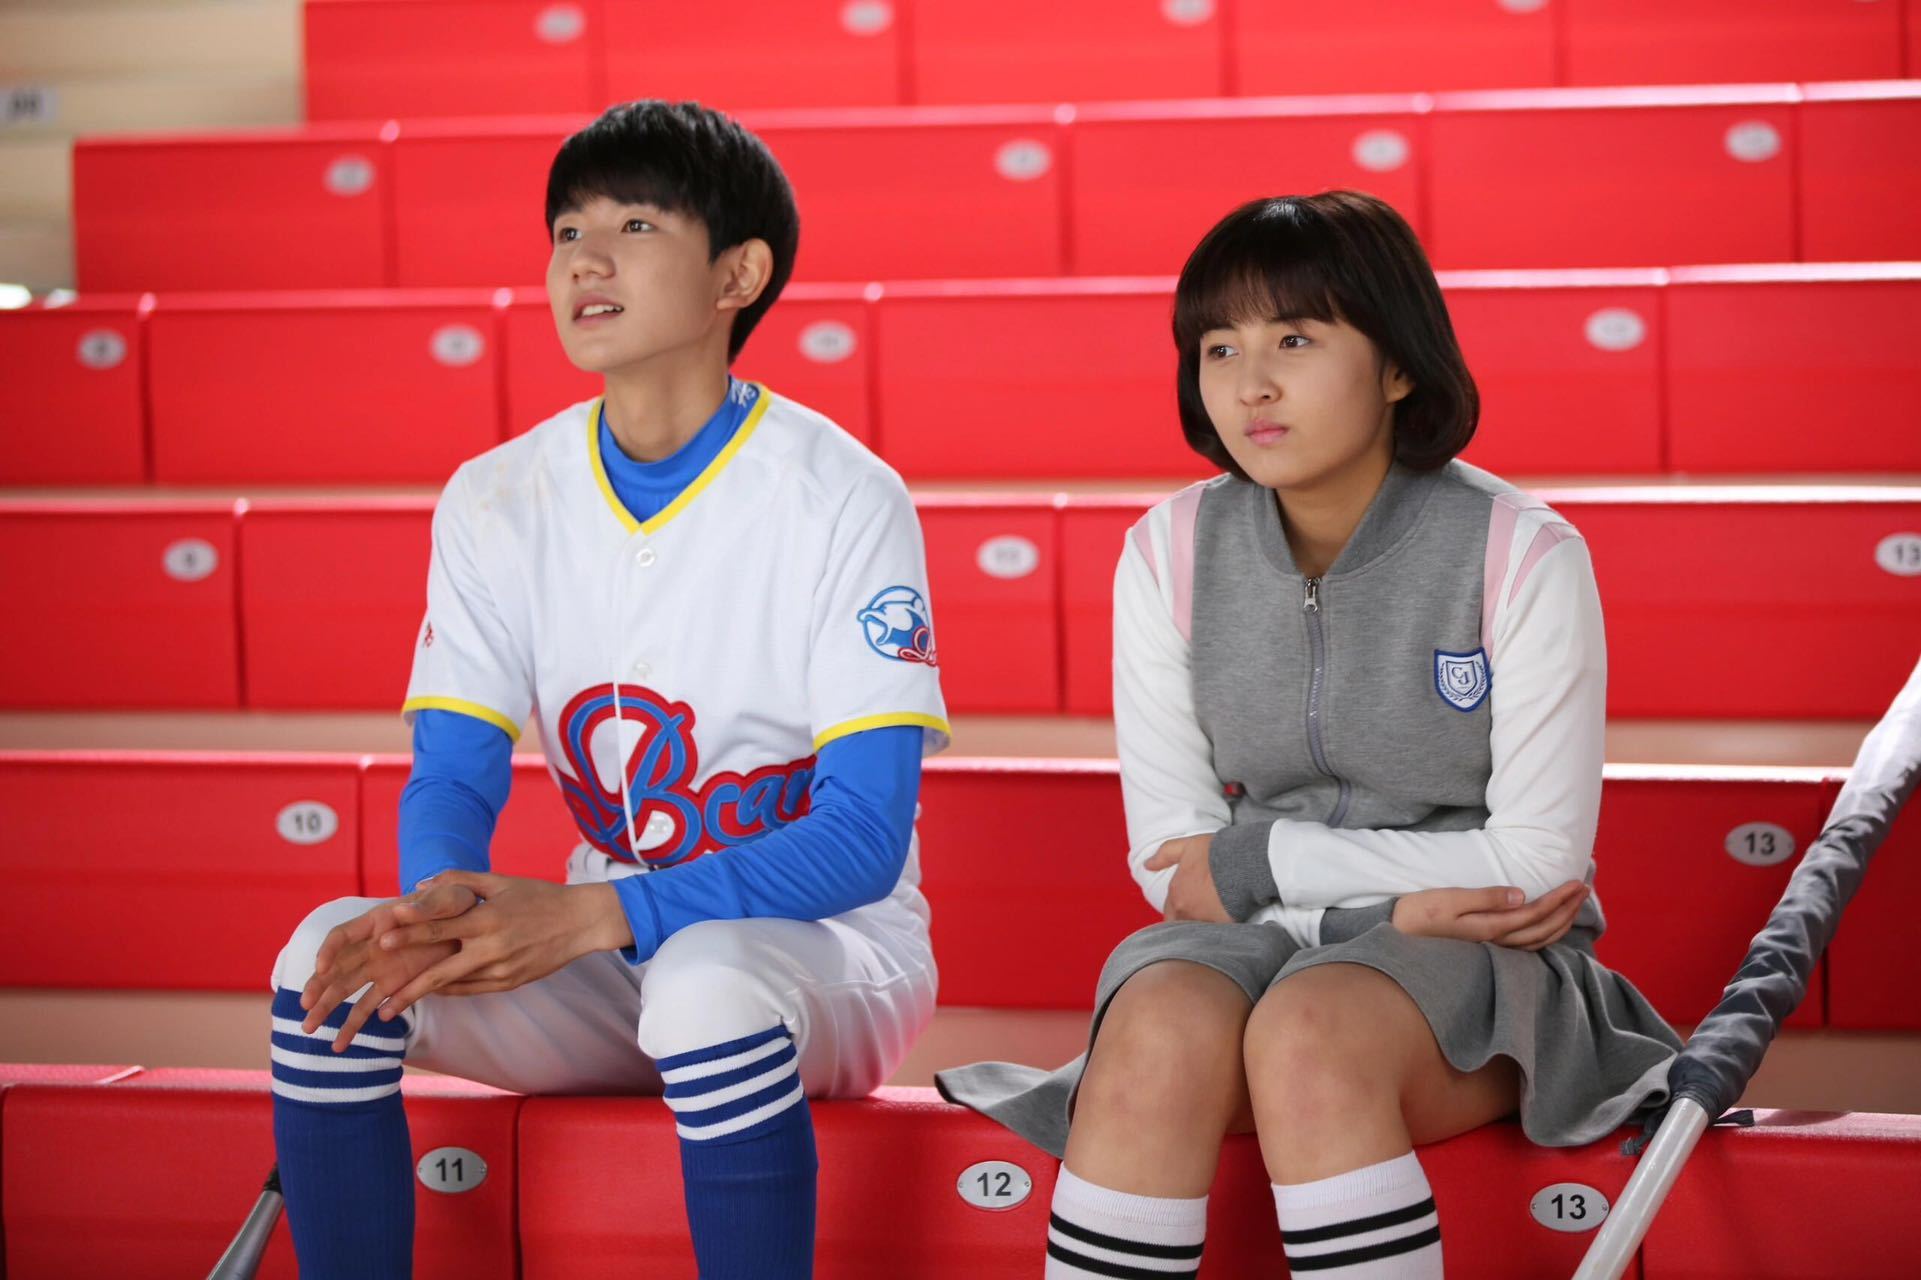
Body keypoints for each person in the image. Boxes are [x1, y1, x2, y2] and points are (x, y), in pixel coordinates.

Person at [936, 191, 1681, 1279]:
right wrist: (1371, 903)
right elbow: (1172, 868)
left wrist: (1267, 861)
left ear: (1397, 366)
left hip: (1485, 962)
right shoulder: (1167, 550)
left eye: (1294, 339)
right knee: (1155, 1026)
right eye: (1218, 348)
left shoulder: (1521, 552)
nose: (1251, 383)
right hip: (1259, 936)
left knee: (1310, 1031)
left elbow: (1530, 869)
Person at [268, 100, 949, 1279]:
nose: (584, 259)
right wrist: (439, 907)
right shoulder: (495, 494)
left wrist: (593, 916)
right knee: (324, 957)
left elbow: (861, 840)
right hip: (614, 948)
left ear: (738, 273)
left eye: (634, 225)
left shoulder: (843, 493)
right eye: (566, 231)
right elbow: (454, 771)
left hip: (824, 954)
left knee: (704, 982)